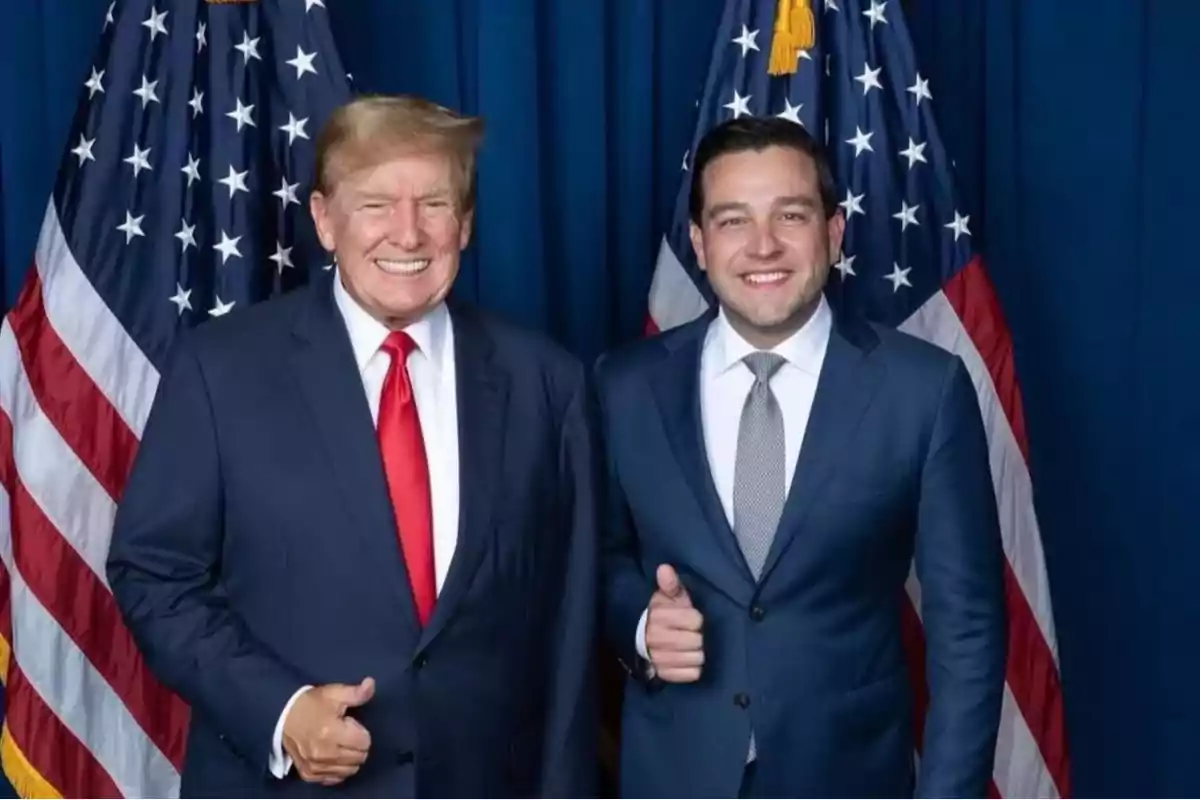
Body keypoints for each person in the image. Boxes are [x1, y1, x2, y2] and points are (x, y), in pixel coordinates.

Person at [107, 94, 599, 798]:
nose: (408, 234)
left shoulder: (547, 383)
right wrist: (278, 711)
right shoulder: (222, 370)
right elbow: (152, 573)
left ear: (465, 224)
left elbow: (569, 626)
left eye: (433, 203)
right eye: (375, 204)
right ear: (323, 220)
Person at [596, 116, 1006, 798]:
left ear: (833, 232)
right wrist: (640, 621)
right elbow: (596, 560)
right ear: (699, 243)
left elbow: (968, 630)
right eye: (732, 221)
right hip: (673, 776)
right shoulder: (624, 386)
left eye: (790, 214)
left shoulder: (923, 391)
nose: (763, 246)